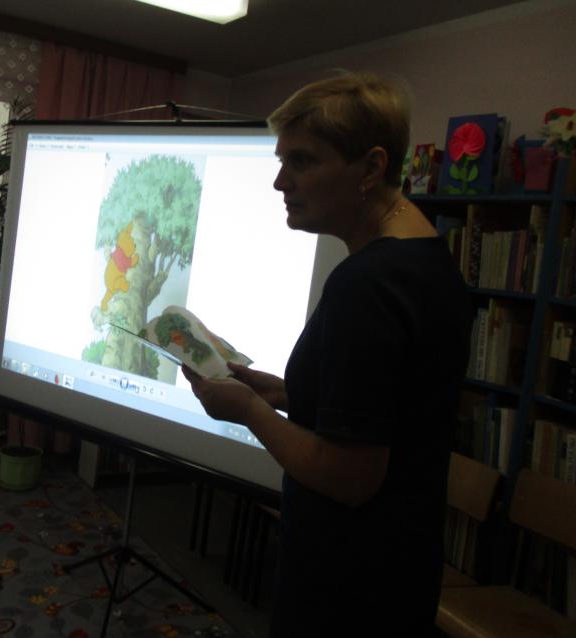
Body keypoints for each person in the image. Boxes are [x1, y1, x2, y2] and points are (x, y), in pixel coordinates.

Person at [182, 71, 472, 636]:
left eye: (302, 161)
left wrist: (247, 410)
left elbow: (350, 476)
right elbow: (391, 409)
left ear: (370, 167)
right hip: (399, 566)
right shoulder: (427, 260)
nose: (279, 182)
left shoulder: (368, 283)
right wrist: (282, 392)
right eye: (281, 160)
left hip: (349, 580)